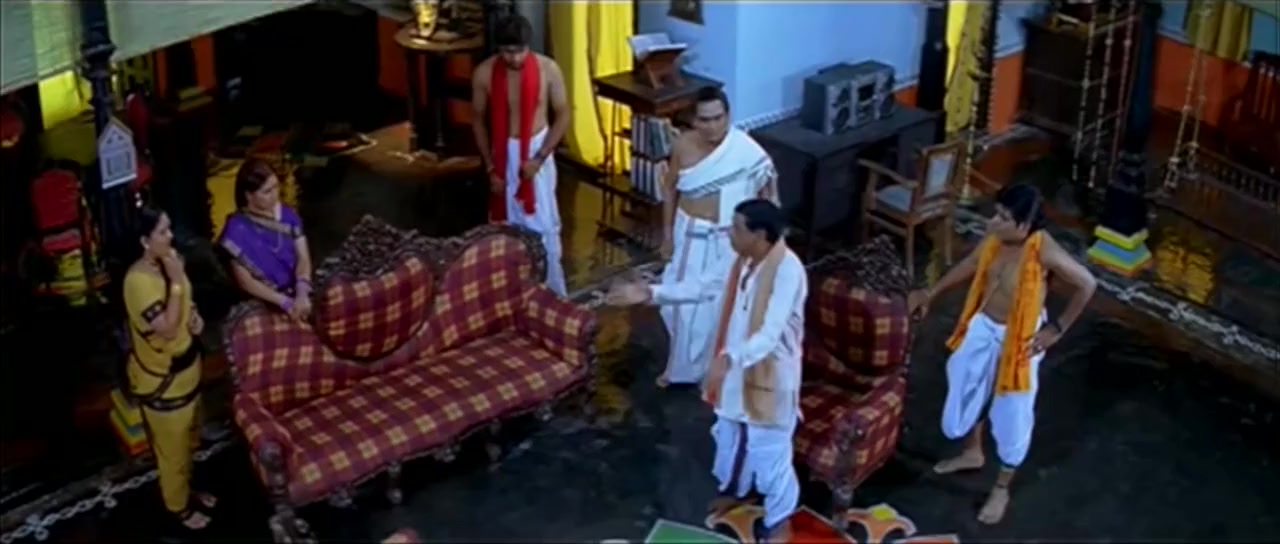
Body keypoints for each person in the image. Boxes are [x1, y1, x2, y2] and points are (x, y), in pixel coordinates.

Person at [608, 199, 804, 542]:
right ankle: (736, 492)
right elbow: (701, 287)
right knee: (729, 436)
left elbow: (770, 335)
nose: (729, 233)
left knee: (768, 453)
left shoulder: (788, 271)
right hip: (732, 368)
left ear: (760, 235)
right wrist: (650, 292)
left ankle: (780, 518)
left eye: (737, 228)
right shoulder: (738, 260)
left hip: (769, 376)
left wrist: (727, 360)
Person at [907, 184, 1097, 525]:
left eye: (1003, 217)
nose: (993, 222)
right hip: (983, 325)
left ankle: (1001, 488)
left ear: (1024, 225)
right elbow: (971, 263)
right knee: (966, 384)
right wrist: (930, 293)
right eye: (996, 214)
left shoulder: (1043, 249)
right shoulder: (996, 237)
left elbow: (1087, 284)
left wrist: (1056, 329)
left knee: (1013, 411)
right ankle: (973, 451)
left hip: (1020, 337)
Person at [656, 86, 779, 388]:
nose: (712, 126)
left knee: (722, 307)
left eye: (718, 118)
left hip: (730, 239)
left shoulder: (746, 151)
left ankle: (714, 370)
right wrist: (667, 235)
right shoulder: (683, 146)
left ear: (728, 116)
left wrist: (765, 246)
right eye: (704, 120)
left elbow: (767, 199)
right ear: (693, 120)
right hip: (691, 235)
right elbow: (670, 189)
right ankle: (679, 369)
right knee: (681, 305)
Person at [123, 206, 217, 533]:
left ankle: (188, 491)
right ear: (144, 241)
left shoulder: (171, 261)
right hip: (163, 382)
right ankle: (177, 508)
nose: (170, 236)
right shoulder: (137, 282)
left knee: (190, 441)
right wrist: (176, 282)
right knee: (172, 453)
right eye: (162, 232)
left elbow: (186, 302)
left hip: (190, 369)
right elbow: (165, 327)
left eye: (169, 229)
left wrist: (195, 316)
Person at [471, 14, 570, 296]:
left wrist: (539, 158)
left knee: (543, 226)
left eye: (519, 51)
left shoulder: (548, 69)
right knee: (505, 230)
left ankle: (551, 296)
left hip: (537, 151)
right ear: (498, 49)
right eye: (507, 51)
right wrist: (490, 168)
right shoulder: (484, 73)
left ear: (529, 45)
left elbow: (563, 114)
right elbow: (477, 119)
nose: (514, 58)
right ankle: (513, 297)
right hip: (503, 153)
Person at [218, 159, 314, 320]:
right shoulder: (236, 231)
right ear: (249, 196)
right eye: (267, 192)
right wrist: (284, 302)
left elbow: (303, 257)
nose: (275, 195)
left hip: (298, 291)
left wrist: (302, 291)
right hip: (263, 303)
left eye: (276, 187)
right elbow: (245, 281)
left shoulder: (288, 215)